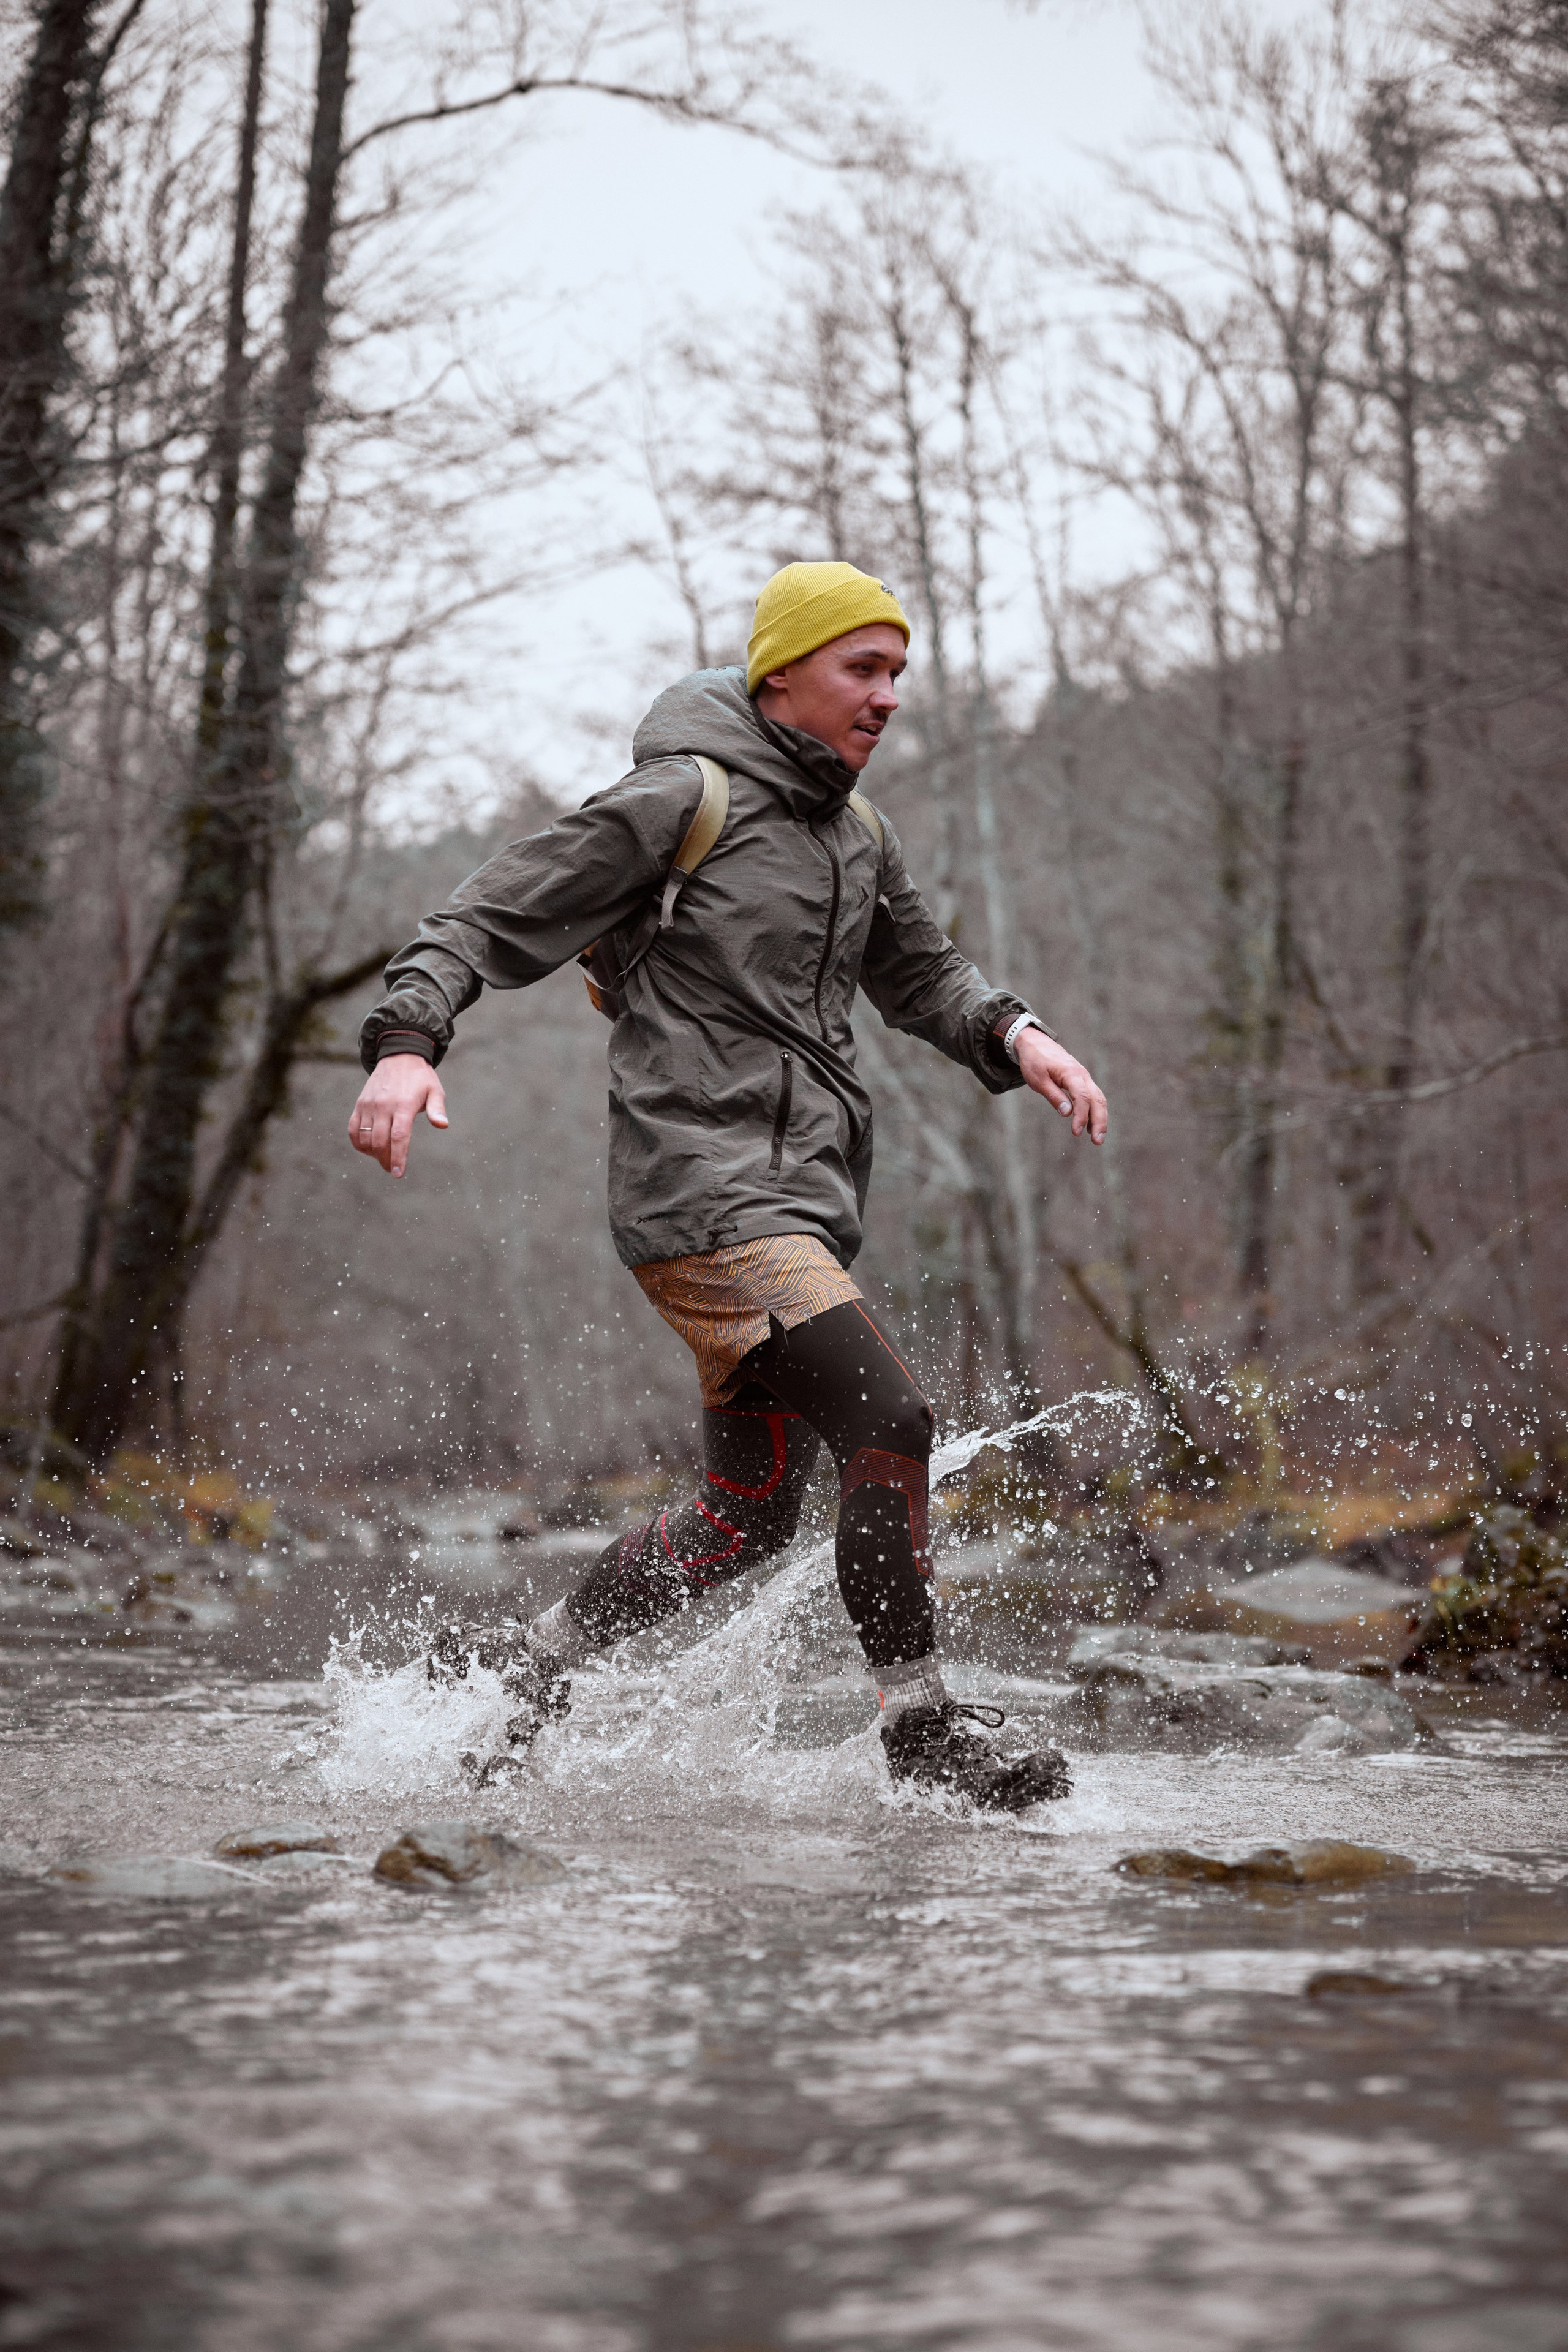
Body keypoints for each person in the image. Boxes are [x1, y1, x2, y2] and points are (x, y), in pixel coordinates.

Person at [350, 562, 1108, 1811]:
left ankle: (532, 1668)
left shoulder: (856, 837)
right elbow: (481, 915)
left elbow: (922, 975)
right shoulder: (680, 800)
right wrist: (402, 1045)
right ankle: (919, 1733)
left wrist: (1017, 1037)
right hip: (700, 1198)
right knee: (892, 1422)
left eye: (896, 674)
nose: (887, 698)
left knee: (745, 1516)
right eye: (862, 671)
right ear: (780, 677)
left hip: (796, 1206)